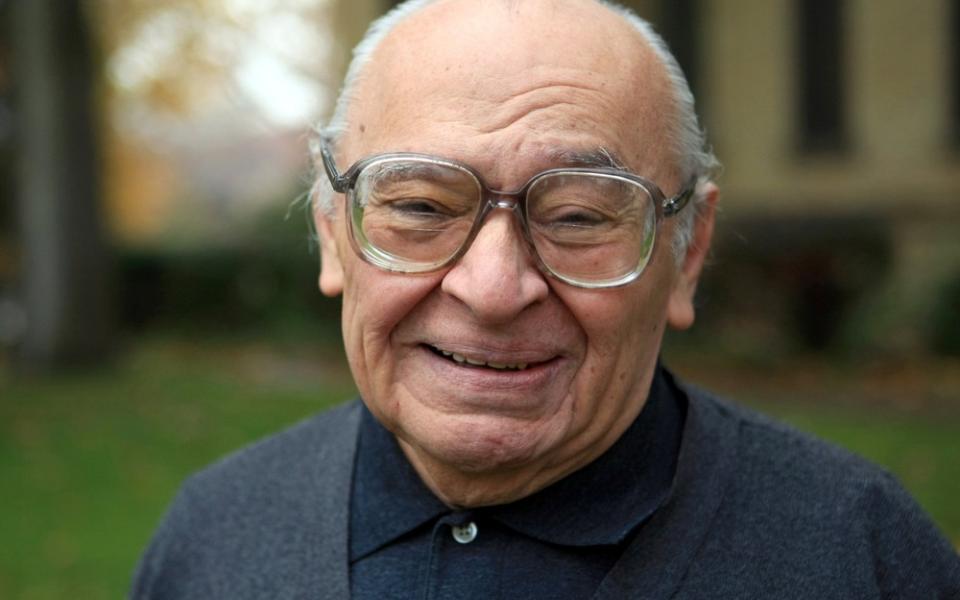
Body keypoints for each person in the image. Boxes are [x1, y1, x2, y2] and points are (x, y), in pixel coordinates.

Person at [130, 0, 960, 598]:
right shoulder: (214, 536)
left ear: (687, 251)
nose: (493, 290)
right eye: (420, 206)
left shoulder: (860, 554)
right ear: (331, 229)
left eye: (576, 215)